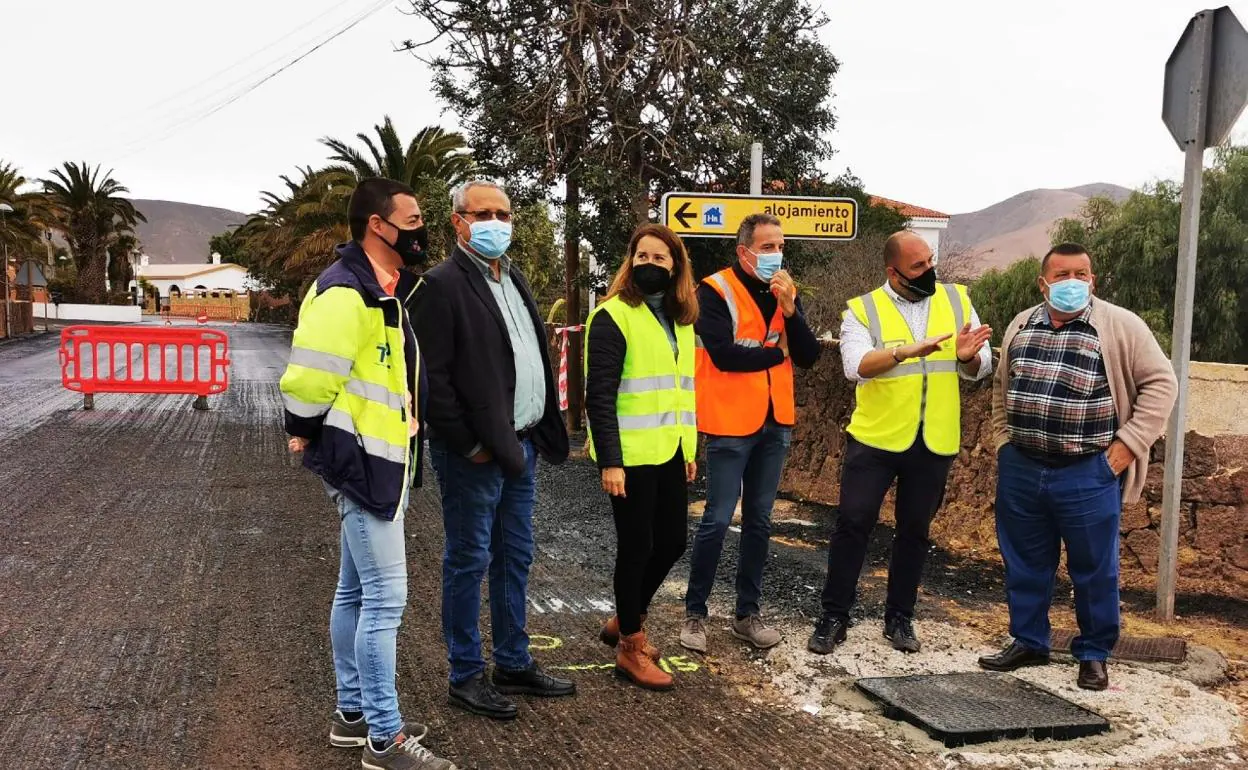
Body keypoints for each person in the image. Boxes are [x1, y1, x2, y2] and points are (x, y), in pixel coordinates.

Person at [279, 178, 457, 770]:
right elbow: (308, 379)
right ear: (378, 225)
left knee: (355, 591)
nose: (420, 228)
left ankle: (352, 717)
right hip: (363, 465)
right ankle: (385, 738)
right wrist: (301, 428)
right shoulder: (345, 294)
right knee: (386, 600)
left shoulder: (387, 292)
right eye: (411, 219)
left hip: (383, 461)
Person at [978, 243, 1176, 691]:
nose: (1072, 282)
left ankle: (1093, 653)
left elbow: (1162, 384)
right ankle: (1029, 640)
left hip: (1088, 471)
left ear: (1093, 280)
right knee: (1024, 562)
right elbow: (1002, 387)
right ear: (1043, 282)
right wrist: (1003, 443)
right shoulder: (1021, 325)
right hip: (1022, 467)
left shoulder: (1120, 326)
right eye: (1062, 274)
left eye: (1081, 274)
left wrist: (1126, 449)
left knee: (1094, 569)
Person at [413, 180, 574, 721]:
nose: (494, 222)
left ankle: (512, 660)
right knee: (468, 560)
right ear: (457, 221)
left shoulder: (515, 277)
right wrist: (470, 444)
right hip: (476, 456)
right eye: (482, 213)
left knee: (515, 556)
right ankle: (464, 673)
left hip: (521, 444)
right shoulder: (440, 285)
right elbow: (431, 379)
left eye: (503, 213)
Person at [808, 231, 993, 656]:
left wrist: (969, 357)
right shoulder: (862, 309)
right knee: (853, 524)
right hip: (875, 439)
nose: (929, 270)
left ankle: (900, 619)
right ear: (893, 272)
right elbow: (855, 367)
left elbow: (980, 364)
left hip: (933, 440)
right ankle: (834, 616)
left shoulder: (956, 299)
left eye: (930, 261)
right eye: (917, 267)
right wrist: (902, 352)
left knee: (914, 531)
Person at [680, 213, 821, 654]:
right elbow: (722, 355)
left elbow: (810, 355)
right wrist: (772, 356)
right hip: (729, 422)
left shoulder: (785, 292)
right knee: (717, 519)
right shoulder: (714, 289)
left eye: (780, 245)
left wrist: (792, 311)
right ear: (744, 251)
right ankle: (695, 615)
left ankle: (747, 614)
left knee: (759, 521)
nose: (776, 254)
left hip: (775, 421)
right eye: (766, 247)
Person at [586, 224, 699, 690]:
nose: (650, 264)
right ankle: (631, 646)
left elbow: (682, 391)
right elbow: (600, 395)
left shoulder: (680, 320)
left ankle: (626, 615)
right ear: (630, 262)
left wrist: (688, 449)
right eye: (642, 256)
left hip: (670, 450)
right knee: (636, 548)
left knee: (672, 542)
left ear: (676, 267)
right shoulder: (613, 316)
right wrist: (610, 460)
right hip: (629, 456)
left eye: (660, 258)